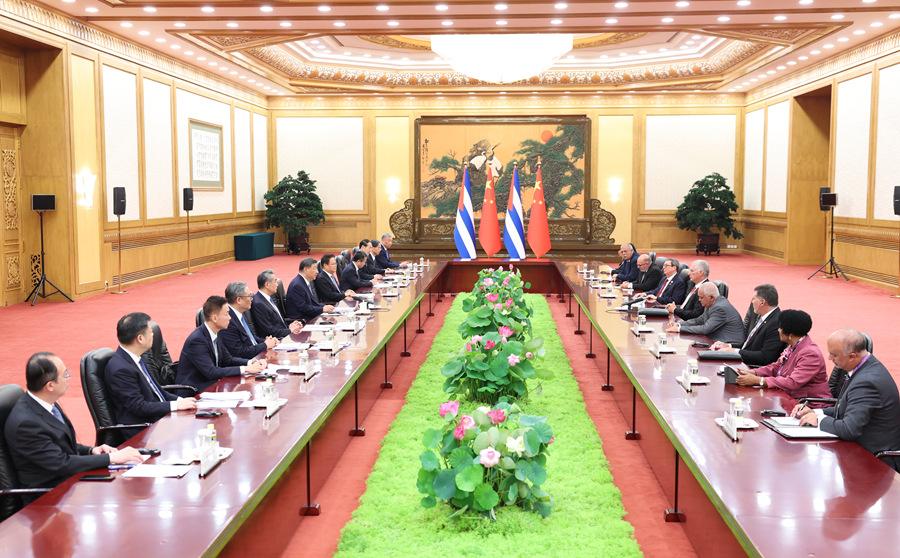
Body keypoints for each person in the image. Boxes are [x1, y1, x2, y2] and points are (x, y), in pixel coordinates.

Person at [4, 352, 142, 493]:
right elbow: (61, 463)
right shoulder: (26, 424)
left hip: (69, 481)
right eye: (65, 375)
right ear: (50, 386)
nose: (68, 378)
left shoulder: (45, 402)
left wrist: (91, 450)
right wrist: (110, 458)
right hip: (50, 494)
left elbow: (59, 444)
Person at [794, 329, 900, 471]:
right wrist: (815, 412)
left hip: (874, 462)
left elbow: (849, 429)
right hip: (860, 451)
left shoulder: (867, 382)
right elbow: (844, 409)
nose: (829, 358)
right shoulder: (865, 367)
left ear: (852, 356)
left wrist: (818, 420)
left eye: (834, 355)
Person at [105, 312, 196, 439]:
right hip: (143, 430)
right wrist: (175, 406)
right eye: (150, 331)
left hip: (158, 420)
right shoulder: (121, 369)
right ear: (140, 338)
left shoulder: (136, 357)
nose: (153, 334)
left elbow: (158, 391)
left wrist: (180, 401)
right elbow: (139, 407)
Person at [734, 310, 831, 401]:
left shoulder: (810, 354)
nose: (778, 330)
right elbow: (776, 367)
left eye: (780, 327)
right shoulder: (794, 345)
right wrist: (753, 372)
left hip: (808, 404)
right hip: (787, 397)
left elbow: (793, 382)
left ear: (790, 335)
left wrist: (759, 380)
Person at [176, 295, 266, 391]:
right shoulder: (197, 340)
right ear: (215, 318)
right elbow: (211, 372)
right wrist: (246, 369)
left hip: (212, 385)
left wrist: (251, 362)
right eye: (227, 314)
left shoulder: (215, 333)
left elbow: (228, 360)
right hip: (193, 391)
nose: (230, 318)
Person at [710, 284, 784, 366]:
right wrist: (728, 346)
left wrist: (735, 351)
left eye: (754, 299)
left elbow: (766, 357)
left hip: (751, 368)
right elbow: (749, 345)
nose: (752, 302)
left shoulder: (776, 323)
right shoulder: (765, 317)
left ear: (762, 302)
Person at [666, 282, 745, 344]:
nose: (699, 300)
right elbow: (698, 320)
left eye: (701, 297)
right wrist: (679, 324)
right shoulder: (712, 303)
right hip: (716, 340)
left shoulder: (720, 308)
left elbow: (705, 329)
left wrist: (679, 329)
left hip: (729, 344)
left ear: (711, 297)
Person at [220, 281, 278, 359]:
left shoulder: (240, 312)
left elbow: (251, 338)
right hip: (246, 362)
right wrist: (265, 345)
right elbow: (239, 352)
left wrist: (267, 341)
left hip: (256, 356)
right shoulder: (228, 320)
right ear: (239, 300)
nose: (252, 299)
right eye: (249, 296)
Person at [251, 270, 303, 339]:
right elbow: (269, 331)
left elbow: (278, 322)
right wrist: (290, 330)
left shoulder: (269, 297)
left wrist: (292, 325)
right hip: (277, 340)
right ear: (267, 285)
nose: (277, 284)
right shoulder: (258, 303)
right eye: (275, 281)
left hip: (283, 334)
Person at [285, 258, 336, 322]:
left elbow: (312, 303)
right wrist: (322, 309)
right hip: (301, 320)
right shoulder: (297, 285)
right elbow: (303, 308)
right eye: (314, 268)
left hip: (308, 316)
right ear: (306, 269)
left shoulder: (304, 282)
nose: (317, 272)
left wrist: (325, 306)